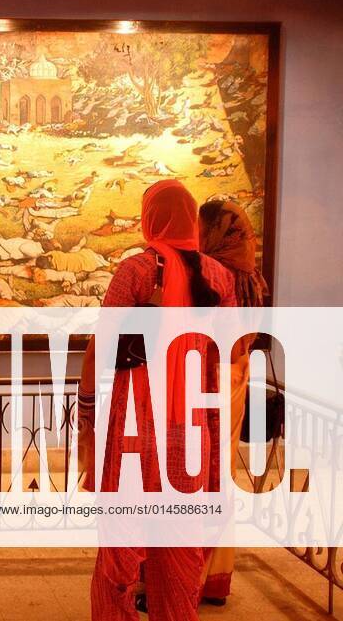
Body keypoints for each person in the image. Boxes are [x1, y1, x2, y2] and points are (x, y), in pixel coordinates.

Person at [79, 181, 236, 621]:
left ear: (152, 219)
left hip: (135, 430)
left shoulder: (135, 271)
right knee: (179, 553)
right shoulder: (219, 278)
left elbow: (101, 348)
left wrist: (87, 416)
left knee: (121, 552)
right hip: (189, 433)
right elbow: (224, 353)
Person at [197, 199, 269, 606]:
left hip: (207, 380)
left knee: (191, 477)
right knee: (217, 477)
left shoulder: (212, 276)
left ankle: (186, 574)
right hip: (236, 379)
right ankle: (213, 577)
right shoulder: (251, 278)